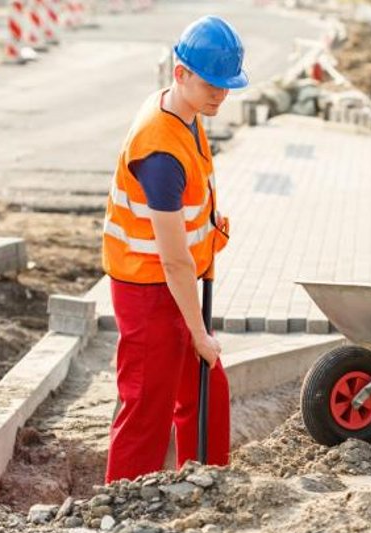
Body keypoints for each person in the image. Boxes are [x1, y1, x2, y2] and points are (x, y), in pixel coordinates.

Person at [102, 15, 247, 483]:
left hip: (174, 285)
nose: (220, 96)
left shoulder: (185, 112)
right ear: (180, 73)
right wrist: (199, 335)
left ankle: (205, 484)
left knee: (208, 391)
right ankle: (121, 504)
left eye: (227, 86)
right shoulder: (160, 154)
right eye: (212, 84)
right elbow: (172, 257)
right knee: (147, 405)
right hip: (150, 289)